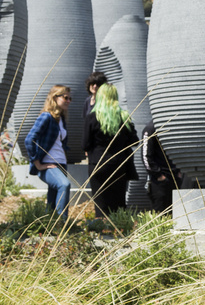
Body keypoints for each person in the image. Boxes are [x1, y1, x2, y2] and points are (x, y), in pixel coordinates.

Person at [85, 84, 139, 220]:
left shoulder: (91, 117)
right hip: (119, 165)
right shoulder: (124, 117)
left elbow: (85, 144)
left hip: (98, 164)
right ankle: (119, 230)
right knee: (119, 202)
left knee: (100, 203)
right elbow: (135, 141)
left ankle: (102, 232)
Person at [24, 85, 73, 221]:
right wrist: (37, 163)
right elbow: (29, 139)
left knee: (52, 199)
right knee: (64, 185)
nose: (68, 100)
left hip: (61, 163)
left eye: (70, 98)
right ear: (55, 97)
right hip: (48, 164)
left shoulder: (61, 120)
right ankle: (60, 225)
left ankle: (48, 225)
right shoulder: (46, 116)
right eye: (65, 97)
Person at [142, 121, 183, 213]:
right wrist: (158, 175)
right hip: (160, 180)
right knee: (160, 212)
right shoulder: (151, 129)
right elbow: (146, 156)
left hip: (175, 177)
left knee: (175, 213)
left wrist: (179, 171)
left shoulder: (173, 127)